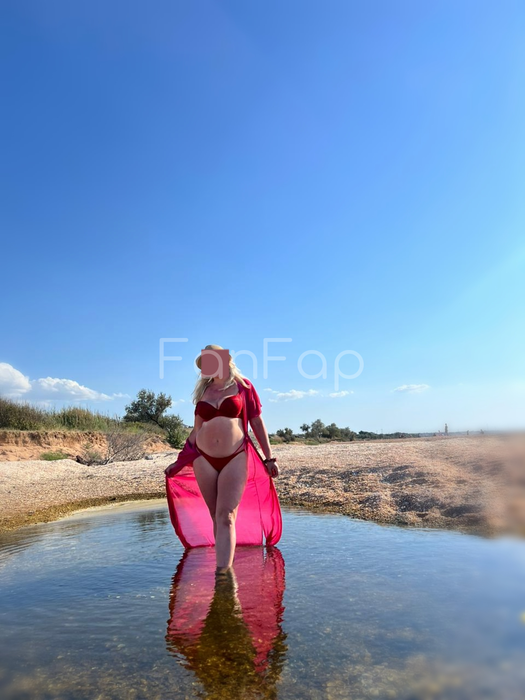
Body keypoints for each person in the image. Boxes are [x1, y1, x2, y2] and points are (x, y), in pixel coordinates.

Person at [165, 345, 282, 576]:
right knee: (216, 516)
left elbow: (256, 422)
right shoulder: (203, 391)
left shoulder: (243, 387)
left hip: (235, 456)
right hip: (203, 458)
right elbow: (196, 430)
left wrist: (269, 458)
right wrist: (179, 461)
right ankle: (224, 568)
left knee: (226, 516)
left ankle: (224, 578)